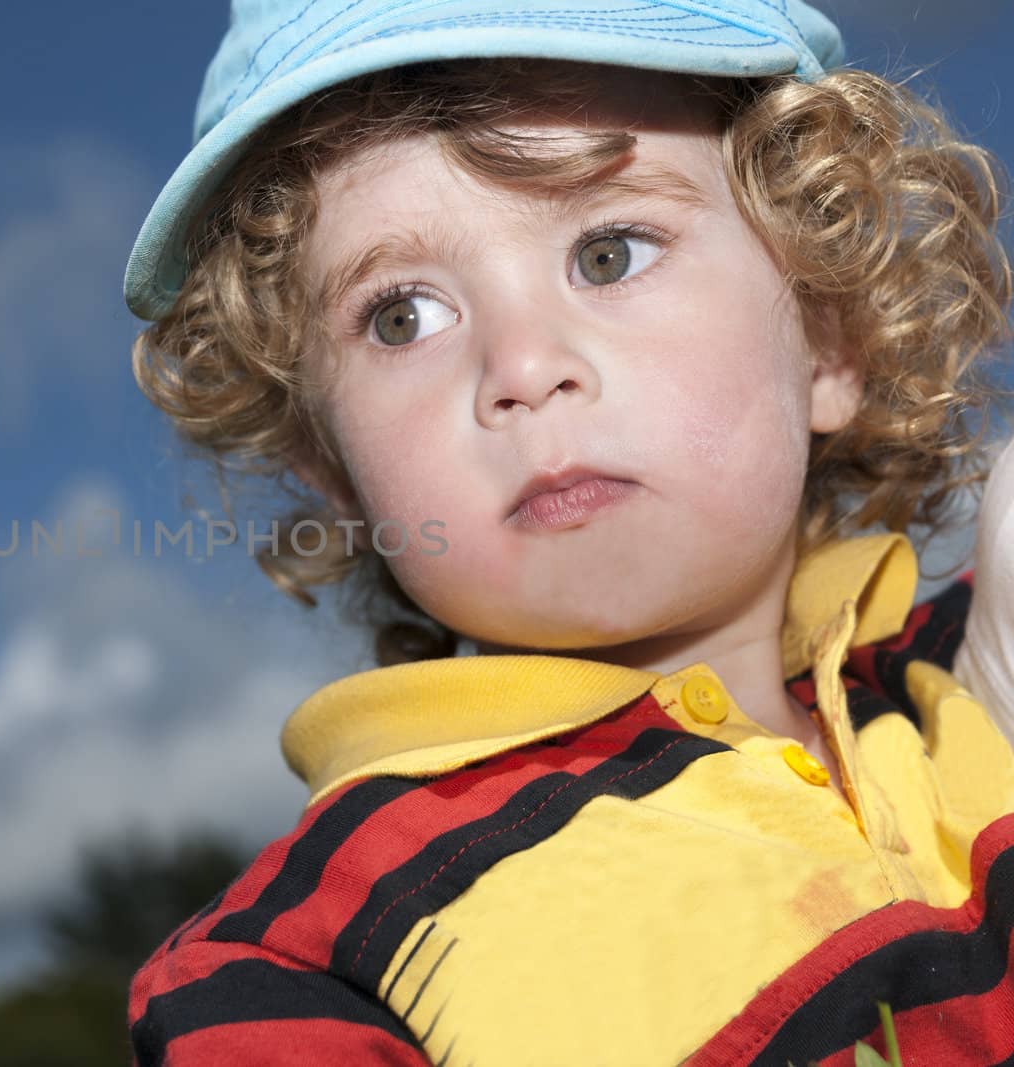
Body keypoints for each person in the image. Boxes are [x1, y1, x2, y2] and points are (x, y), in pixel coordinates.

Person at [121, 2, 1014, 1062]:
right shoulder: (288, 968)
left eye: (606, 253)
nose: (521, 365)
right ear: (335, 474)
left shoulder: (961, 681)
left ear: (825, 333)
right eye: (402, 315)